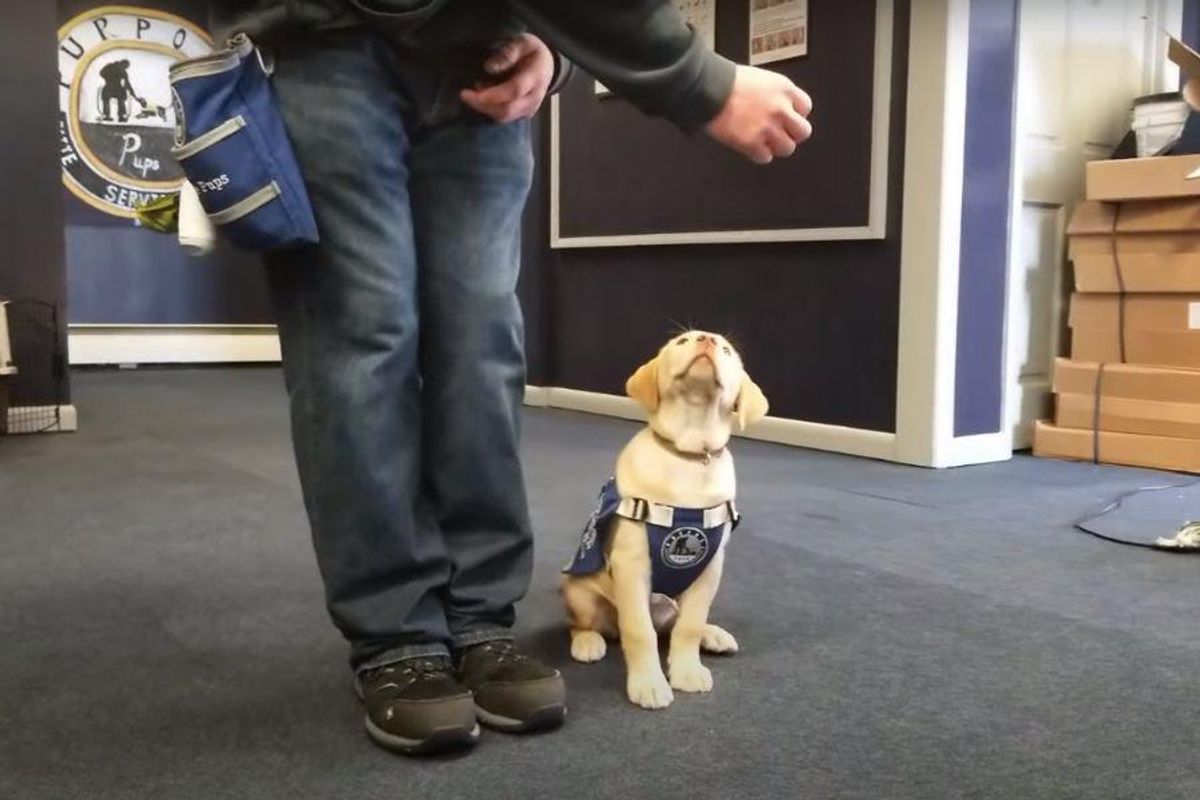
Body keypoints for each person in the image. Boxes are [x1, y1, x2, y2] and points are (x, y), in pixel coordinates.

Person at [210, 0, 812, 756]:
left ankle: (479, 620)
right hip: (320, 45)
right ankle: (396, 634)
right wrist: (698, 78)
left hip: (480, 56)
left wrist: (552, 54)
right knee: (363, 339)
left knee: (482, 341)